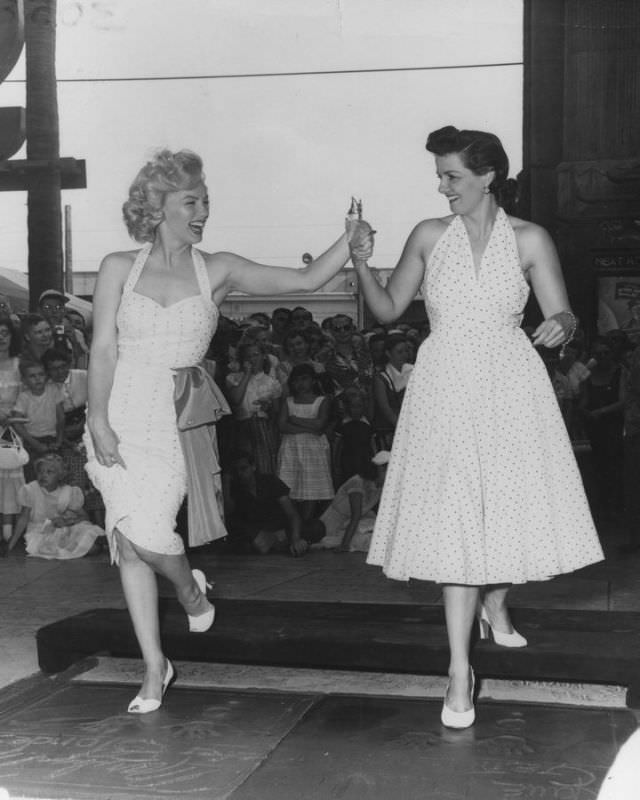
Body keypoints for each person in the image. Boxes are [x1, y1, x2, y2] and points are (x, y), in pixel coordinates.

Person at [84, 148, 373, 714]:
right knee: (128, 541)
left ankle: (190, 590)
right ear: (157, 205)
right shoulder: (119, 266)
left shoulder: (217, 268)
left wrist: (350, 237)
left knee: (149, 532)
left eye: (206, 202)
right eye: (192, 201)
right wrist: (96, 420)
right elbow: (101, 349)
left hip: (176, 418)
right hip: (117, 409)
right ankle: (153, 666)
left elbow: (309, 278)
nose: (202, 212)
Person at [350, 125, 603, 729]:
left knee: (505, 505)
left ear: (488, 176)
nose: (443, 188)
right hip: (443, 383)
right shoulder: (428, 236)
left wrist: (562, 326)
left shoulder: (531, 238)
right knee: (456, 519)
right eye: (440, 176)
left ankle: (497, 602)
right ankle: (459, 670)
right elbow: (385, 310)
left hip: (511, 380)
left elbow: (562, 313)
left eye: (452, 176)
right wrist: (360, 262)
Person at [6, 452, 103, 560]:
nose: (43, 475)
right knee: (53, 548)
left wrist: (66, 522)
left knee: (90, 541)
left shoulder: (68, 492)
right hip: (40, 532)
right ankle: (74, 547)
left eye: (49, 472)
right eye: (40, 472)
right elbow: (23, 519)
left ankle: (90, 543)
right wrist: (10, 545)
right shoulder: (31, 490)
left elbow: (84, 517)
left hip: (63, 529)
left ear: (60, 475)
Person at [223, 450, 321, 556]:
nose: (240, 474)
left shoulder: (270, 481)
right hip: (257, 532)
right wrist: (226, 483)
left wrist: (295, 538)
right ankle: (279, 544)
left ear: (253, 467)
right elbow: (228, 513)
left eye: (243, 468)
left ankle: (285, 543)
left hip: (280, 528)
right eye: (236, 471)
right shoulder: (235, 489)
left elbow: (292, 514)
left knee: (316, 527)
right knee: (237, 535)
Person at [277, 363, 334, 520]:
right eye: (296, 380)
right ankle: (294, 523)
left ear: (313, 381)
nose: (300, 384)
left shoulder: (322, 400)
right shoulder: (288, 401)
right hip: (291, 447)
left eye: (305, 379)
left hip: (314, 449)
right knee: (290, 486)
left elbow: (320, 424)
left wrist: (295, 419)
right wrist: (310, 428)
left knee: (311, 489)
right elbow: (282, 426)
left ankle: (307, 524)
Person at [311, 450, 388, 552]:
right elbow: (356, 516)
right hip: (336, 525)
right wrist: (344, 545)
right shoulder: (357, 482)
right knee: (371, 541)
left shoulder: (381, 486)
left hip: (355, 522)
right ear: (381, 469)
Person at [0, 317, 25, 546]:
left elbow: (26, 396)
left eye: (5, 333)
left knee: (8, 480)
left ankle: (8, 532)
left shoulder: (19, 364)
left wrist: (11, 416)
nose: (1, 338)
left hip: (12, 427)